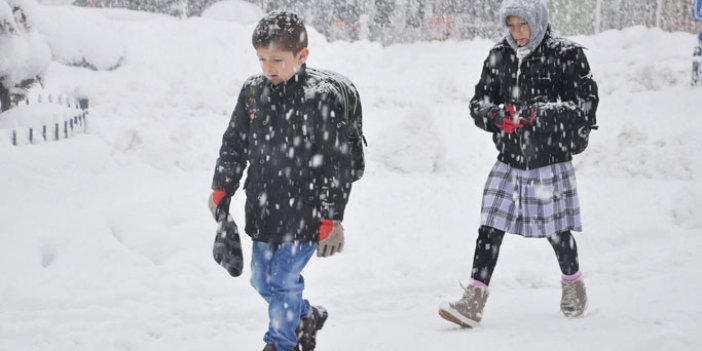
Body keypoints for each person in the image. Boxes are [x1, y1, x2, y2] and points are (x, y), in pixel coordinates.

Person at [208, 11, 363, 351]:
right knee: (261, 280)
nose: (268, 68)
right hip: (264, 207)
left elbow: (335, 164)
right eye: (262, 59)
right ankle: (304, 317)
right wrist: (223, 186)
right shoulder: (252, 94)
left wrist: (330, 216)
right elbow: (234, 145)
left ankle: (280, 343)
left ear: (301, 56)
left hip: (305, 211)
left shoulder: (320, 98)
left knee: (283, 280)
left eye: (277, 59)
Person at [438, 0, 599, 328]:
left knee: (557, 231)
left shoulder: (567, 55)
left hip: (549, 159)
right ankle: (474, 299)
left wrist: (537, 114)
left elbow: (583, 107)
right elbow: (479, 102)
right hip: (510, 158)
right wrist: (496, 115)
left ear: (538, 22)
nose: (517, 33)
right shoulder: (499, 55)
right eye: (511, 26)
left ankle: (573, 284)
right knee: (490, 227)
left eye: (523, 25)